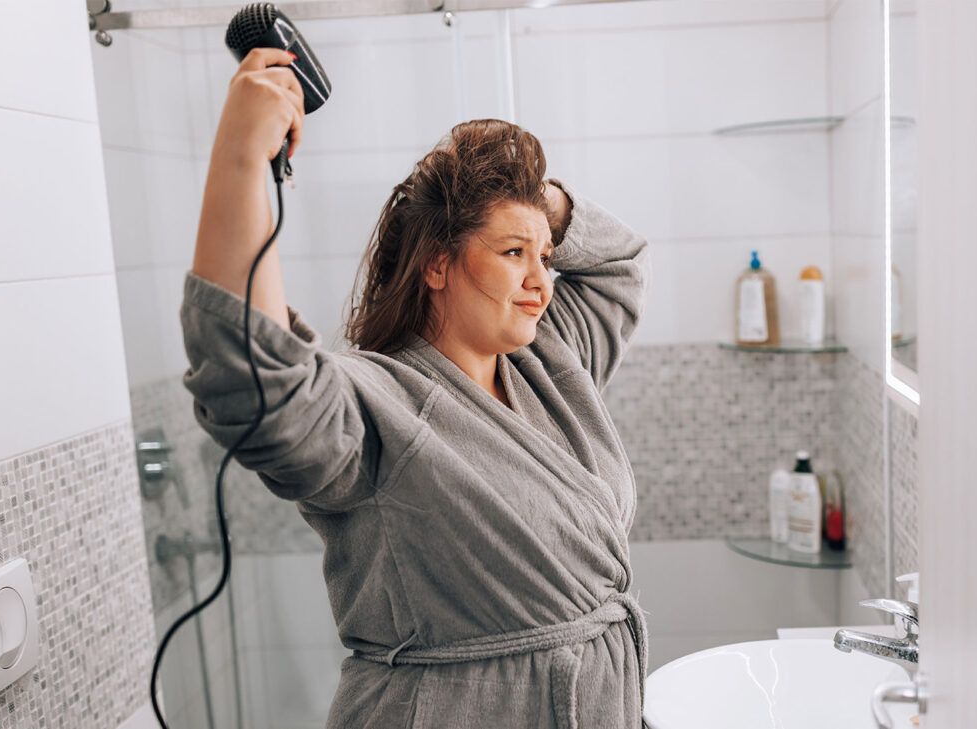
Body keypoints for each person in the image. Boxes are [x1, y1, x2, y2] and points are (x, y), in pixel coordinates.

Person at [180, 47, 651, 728]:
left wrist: (528, 198)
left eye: (546, 255)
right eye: (513, 253)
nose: (542, 281)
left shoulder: (550, 362)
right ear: (438, 263)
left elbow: (619, 266)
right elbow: (256, 383)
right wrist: (240, 158)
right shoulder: (375, 404)